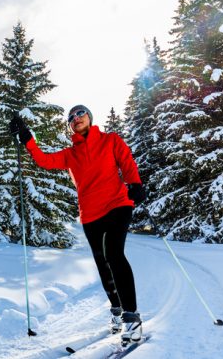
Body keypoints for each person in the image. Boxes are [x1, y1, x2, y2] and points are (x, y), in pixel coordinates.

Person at [9, 104, 146, 340]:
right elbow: (44, 160)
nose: (76, 118)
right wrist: (28, 139)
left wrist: (135, 184)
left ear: (90, 117)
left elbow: (126, 160)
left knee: (114, 254)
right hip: (90, 214)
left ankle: (132, 318)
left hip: (117, 204)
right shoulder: (70, 154)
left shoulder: (110, 140)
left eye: (80, 113)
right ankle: (116, 309)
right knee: (103, 263)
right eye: (71, 117)